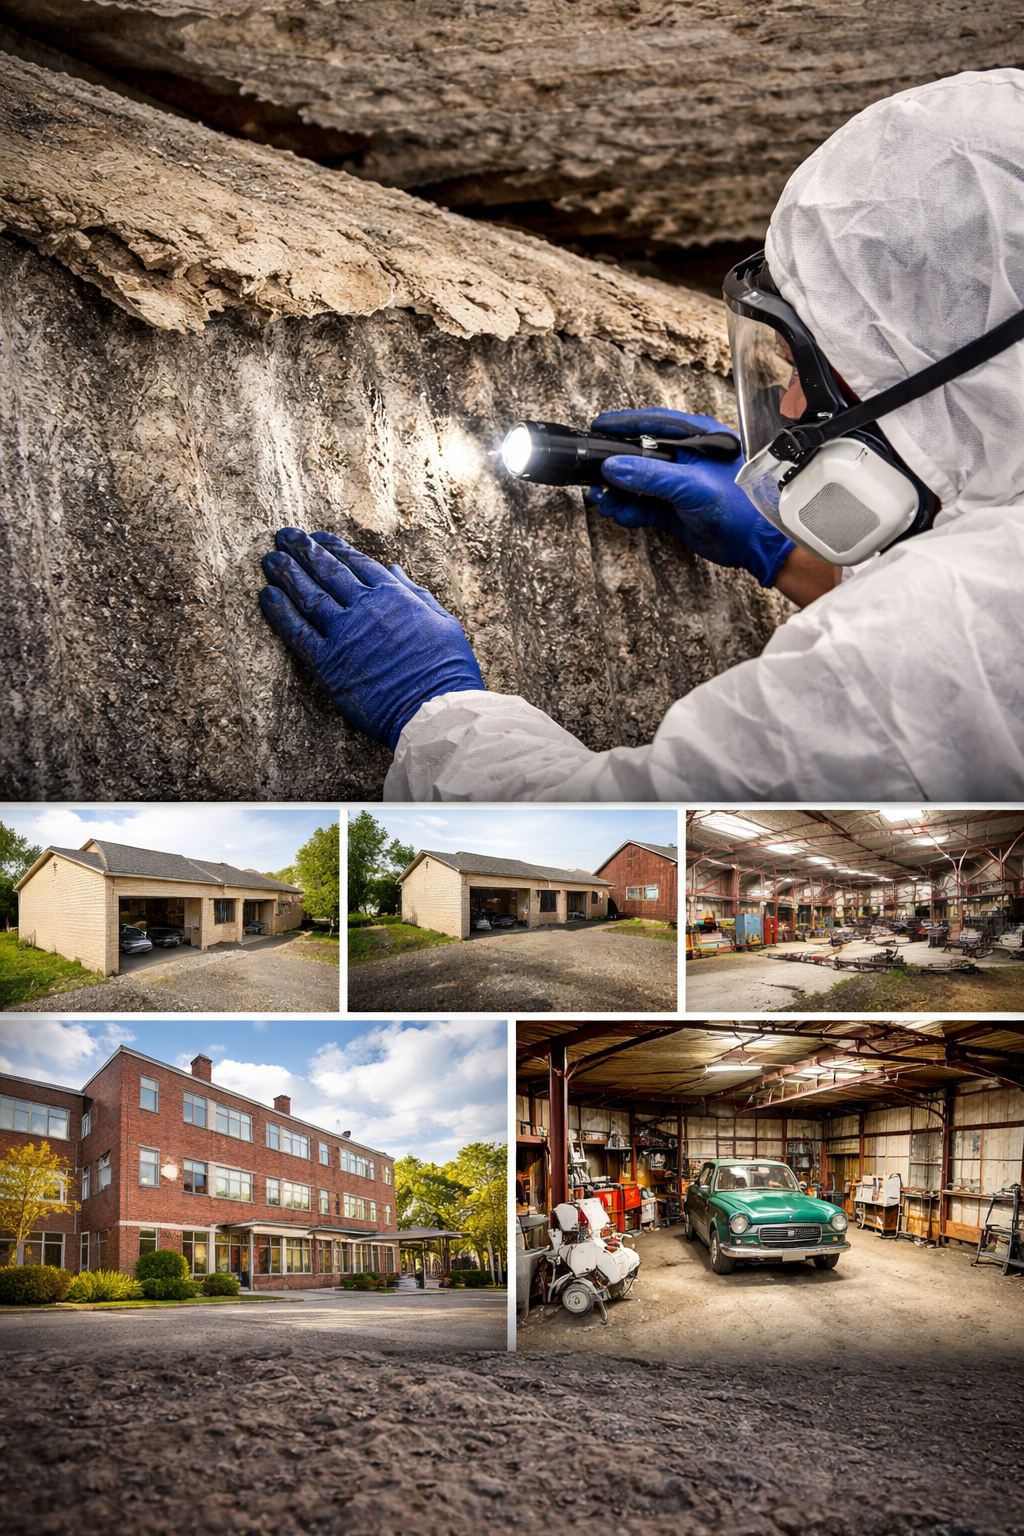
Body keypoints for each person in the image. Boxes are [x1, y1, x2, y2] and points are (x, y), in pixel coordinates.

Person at [260, 70, 1024, 800]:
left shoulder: (935, 631)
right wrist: (790, 554)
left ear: (946, 365)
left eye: (812, 364)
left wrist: (432, 710)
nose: (793, 406)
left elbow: (605, 815)